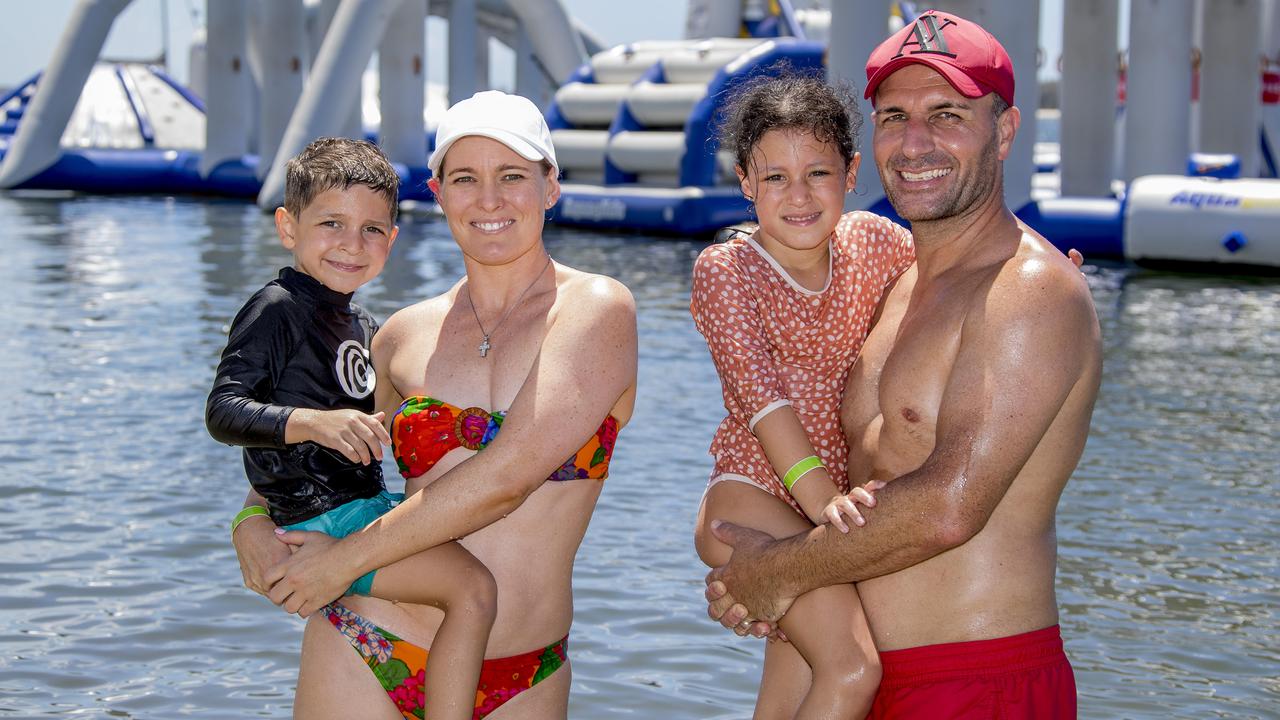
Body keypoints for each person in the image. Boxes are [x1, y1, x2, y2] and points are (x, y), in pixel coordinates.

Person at [704, 10, 1101, 718]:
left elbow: (948, 507)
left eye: (946, 114)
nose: (915, 143)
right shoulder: (894, 279)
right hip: (867, 680)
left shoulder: (1028, 289)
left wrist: (776, 573)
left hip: (976, 680)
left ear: (1005, 131)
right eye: (894, 117)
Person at [230, 91, 638, 719]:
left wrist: (342, 560)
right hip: (370, 641)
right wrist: (251, 524)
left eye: (512, 177)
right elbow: (317, 456)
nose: (489, 199)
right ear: (438, 192)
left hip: (524, 668)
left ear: (550, 186)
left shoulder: (595, 311)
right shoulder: (397, 336)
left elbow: (508, 477)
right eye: (465, 179)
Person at [208, 137, 497, 720]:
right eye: (332, 223)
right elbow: (224, 410)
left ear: (392, 240)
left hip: (357, 503)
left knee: (459, 563)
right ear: (288, 226)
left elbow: (358, 424)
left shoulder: (362, 323)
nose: (350, 243)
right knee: (473, 592)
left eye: (372, 230)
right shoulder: (276, 307)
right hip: (324, 514)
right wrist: (311, 423)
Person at [690, 72, 914, 718]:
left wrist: (1034, 268)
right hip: (753, 493)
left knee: (786, 695)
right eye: (774, 178)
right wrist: (828, 511)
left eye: (816, 174)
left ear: (850, 174)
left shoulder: (874, 243)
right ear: (744, 184)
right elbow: (763, 403)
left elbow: (949, 271)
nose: (798, 196)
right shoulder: (727, 272)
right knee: (852, 667)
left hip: (824, 507)